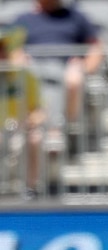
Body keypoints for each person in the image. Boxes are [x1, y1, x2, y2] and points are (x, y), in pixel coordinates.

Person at [13, 0, 104, 153]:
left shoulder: (76, 18)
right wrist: (19, 58)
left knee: (72, 78)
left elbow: (96, 47)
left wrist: (84, 66)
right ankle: (39, 128)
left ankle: (58, 129)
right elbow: (11, 49)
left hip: (65, 68)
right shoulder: (23, 20)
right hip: (33, 69)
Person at [0, 25, 46, 199]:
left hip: (19, 131)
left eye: (3, 49)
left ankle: (30, 189)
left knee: (35, 138)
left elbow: (40, 110)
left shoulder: (25, 76)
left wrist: (30, 122)